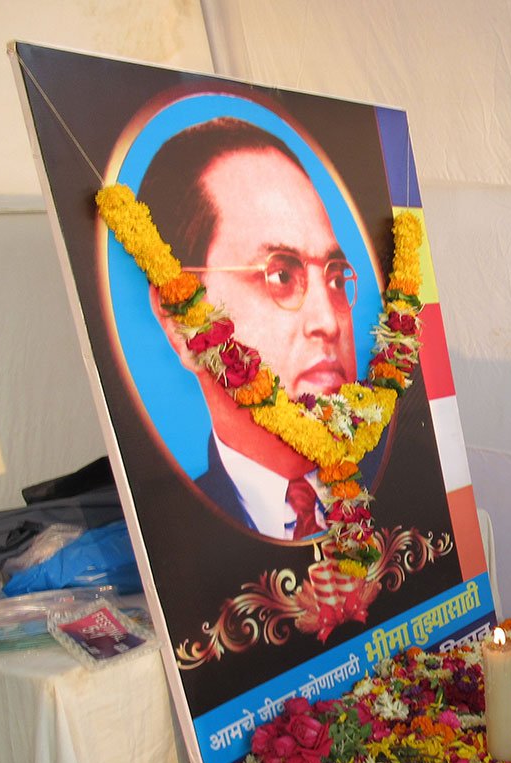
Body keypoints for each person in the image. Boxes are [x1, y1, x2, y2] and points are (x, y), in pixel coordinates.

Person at [136, 117, 377, 540]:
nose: (328, 321)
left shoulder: (408, 483)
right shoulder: (176, 538)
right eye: (280, 276)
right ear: (180, 318)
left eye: (337, 278)